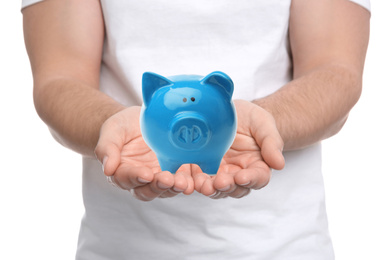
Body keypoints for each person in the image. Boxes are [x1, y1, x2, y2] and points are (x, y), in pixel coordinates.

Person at [22, 0, 370, 259]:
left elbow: (335, 69)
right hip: (119, 248)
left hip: (286, 246)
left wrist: (261, 122)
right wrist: (116, 128)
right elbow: (59, 78)